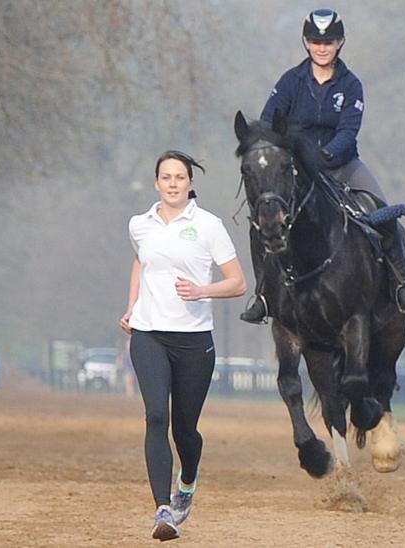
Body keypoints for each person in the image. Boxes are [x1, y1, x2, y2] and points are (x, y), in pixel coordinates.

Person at [239, 8, 405, 324]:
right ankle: (262, 295)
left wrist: (323, 156)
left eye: (328, 41)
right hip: (297, 172)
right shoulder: (289, 82)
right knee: (262, 219)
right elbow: (268, 121)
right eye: (315, 41)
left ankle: (401, 284)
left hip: (342, 165)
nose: (321, 47)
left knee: (384, 213)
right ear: (306, 42)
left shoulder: (351, 85)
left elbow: (348, 131)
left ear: (340, 43)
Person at [120, 150, 247, 541]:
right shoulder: (140, 224)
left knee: (184, 429)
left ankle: (187, 481)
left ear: (191, 184)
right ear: (157, 183)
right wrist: (131, 308)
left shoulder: (208, 226)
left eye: (180, 177)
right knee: (156, 416)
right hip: (149, 334)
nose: (173, 183)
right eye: (166, 177)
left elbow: (238, 282)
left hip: (194, 341)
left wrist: (202, 290)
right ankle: (163, 510)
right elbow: (141, 261)